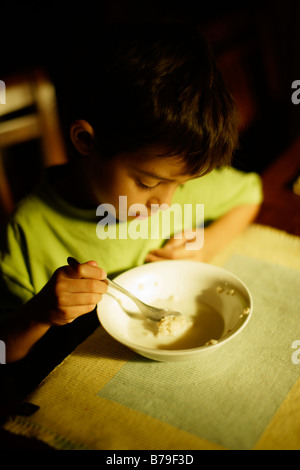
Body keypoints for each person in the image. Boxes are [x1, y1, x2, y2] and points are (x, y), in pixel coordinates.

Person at [0, 20, 262, 363]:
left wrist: (207, 243)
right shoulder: (29, 232)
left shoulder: (170, 171)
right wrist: (38, 314)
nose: (166, 203)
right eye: (147, 184)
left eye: (180, 186)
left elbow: (250, 193)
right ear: (86, 141)